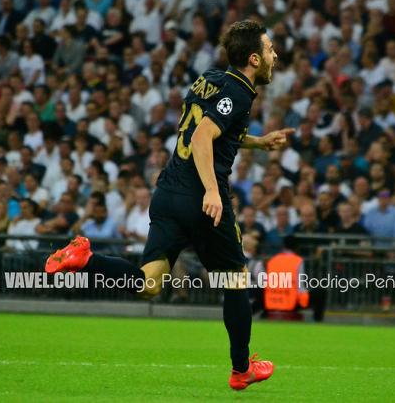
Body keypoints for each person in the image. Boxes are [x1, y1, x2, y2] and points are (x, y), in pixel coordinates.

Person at [44, 21, 290, 390]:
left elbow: (209, 128)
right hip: (200, 196)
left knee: (148, 283)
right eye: (270, 49)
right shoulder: (239, 93)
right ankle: (242, 370)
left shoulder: (209, 79)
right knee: (235, 280)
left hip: (168, 192)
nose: (275, 55)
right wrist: (211, 190)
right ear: (254, 59)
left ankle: (86, 260)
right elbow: (206, 135)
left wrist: (257, 142)